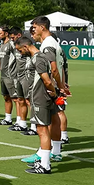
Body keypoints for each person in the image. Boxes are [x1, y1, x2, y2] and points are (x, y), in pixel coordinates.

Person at [15, 33, 61, 174]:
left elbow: (47, 80)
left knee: (42, 130)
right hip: (38, 96)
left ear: (25, 46)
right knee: (43, 128)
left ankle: (45, 165)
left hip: (39, 97)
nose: (20, 53)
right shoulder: (37, 58)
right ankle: (43, 161)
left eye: (20, 50)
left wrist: (55, 92)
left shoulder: (39, 58)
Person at [0, 26, 19, 126]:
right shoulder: (1, 44)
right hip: (3, 75)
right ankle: (8, 118)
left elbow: (18, 58)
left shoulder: (11, 44)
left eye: (0, 33)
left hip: (11, 75)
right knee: (6, 97)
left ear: (6, 33)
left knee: (16, 98)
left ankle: (19, 121)